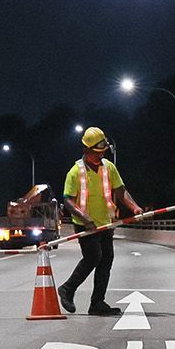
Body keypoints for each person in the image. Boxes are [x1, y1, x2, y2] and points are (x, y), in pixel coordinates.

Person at [57, 126, 144, 316]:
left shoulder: (109, 167)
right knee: (93, 257)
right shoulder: (75, 172)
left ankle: (97, 303)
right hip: (85, 224)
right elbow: (68, 201)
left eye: (103, 150)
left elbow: (121, 191)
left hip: (105, 223)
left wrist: (135, 207)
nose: (101, 154)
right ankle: (67, 289)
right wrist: (84, 218)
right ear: (86, 150)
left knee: (106, 260)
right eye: (97, 151)